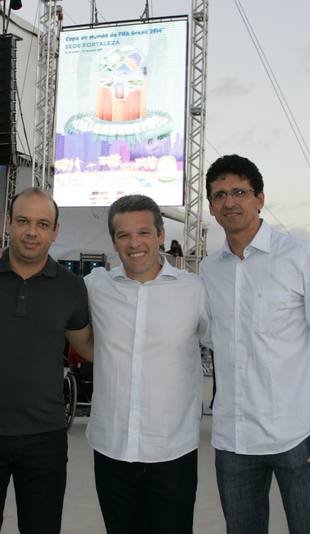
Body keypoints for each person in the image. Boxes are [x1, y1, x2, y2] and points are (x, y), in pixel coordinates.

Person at [200, 154, 310, 534]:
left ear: (260, 198)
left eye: (239, 192)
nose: (229, 202)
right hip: (234, 439)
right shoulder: (208, 270)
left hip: (299, 436)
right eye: (219, 195)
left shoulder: (300, 258)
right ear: (212, 207)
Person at [0, 188, 93, 534]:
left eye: (42, 224)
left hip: (44, 437)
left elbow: (88, 347)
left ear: (55, 231)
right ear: (9, 225)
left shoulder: (71, 287)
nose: (32, 232)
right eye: (23, 221)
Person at [85, 195, 210, 534]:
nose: (134, 243)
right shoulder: (96, 287)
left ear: (159, 235)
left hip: (173, 453)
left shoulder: (195, 291)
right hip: (111, 450)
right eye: (123, 235)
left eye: (143, 232)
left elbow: (231, 347)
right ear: (113, 242)